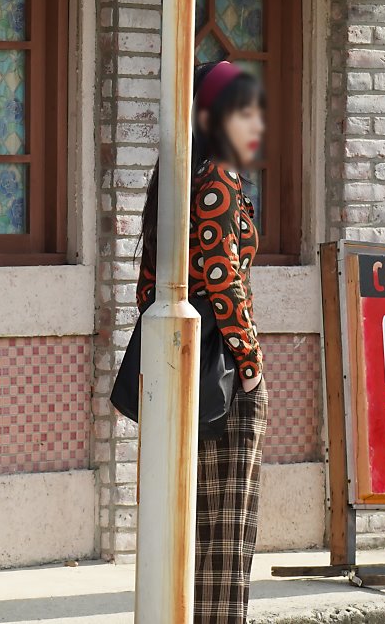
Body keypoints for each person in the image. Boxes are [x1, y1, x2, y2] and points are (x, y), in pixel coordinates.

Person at [134, 59, 269, 624]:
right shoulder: (217, 176)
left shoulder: (179, 173)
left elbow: (150, 285)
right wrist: (251, 363)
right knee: (227, 536)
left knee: (193, 527)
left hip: (186, 365)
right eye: (243, 111)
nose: (256, 123)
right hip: (223, 372)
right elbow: (222, 275)